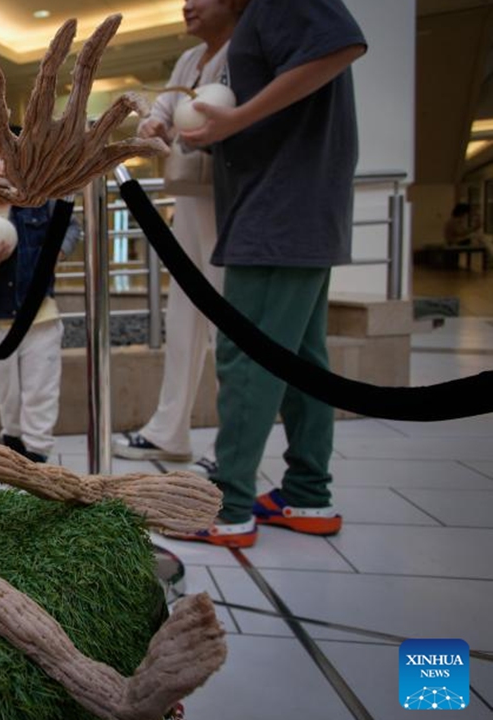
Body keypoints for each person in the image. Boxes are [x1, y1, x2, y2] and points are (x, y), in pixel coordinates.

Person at [170, 0, 367, 547]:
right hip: (292, 209)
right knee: (301, 361)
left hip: (279, 210)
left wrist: (236, 118)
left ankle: (228, 505)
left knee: (249, 355)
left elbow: (343, 43)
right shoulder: (260, 15)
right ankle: (308, 493)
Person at [113, 0, 238, 474]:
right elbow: (161, 110)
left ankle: (232, 445)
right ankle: (170, 429)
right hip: (190, 194)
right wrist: (154, 123)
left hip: (231, 200)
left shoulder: (245, 50)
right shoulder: (190, 61)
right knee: (183, 313)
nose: (186, 6)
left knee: (229, 318)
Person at [0, 148, 82, 463]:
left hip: (41, 318)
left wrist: (57, 255)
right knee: (7, 392)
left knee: (41, 391)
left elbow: (71, 226)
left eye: (1, 155)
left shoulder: (42, 204)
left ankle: (37, 454)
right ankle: (13, 443)